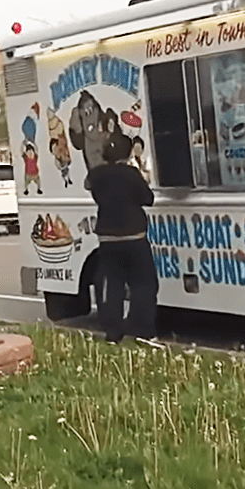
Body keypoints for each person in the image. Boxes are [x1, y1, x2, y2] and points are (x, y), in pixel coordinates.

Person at [85, 131, 163, 347]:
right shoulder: (131, 174)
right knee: (144, 284)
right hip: (134, 236)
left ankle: (113, 333)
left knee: (112, 285)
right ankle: (143, 331)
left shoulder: (96, 175)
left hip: (107, 238)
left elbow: (94, 192)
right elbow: (147, 198)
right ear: (127, 152)